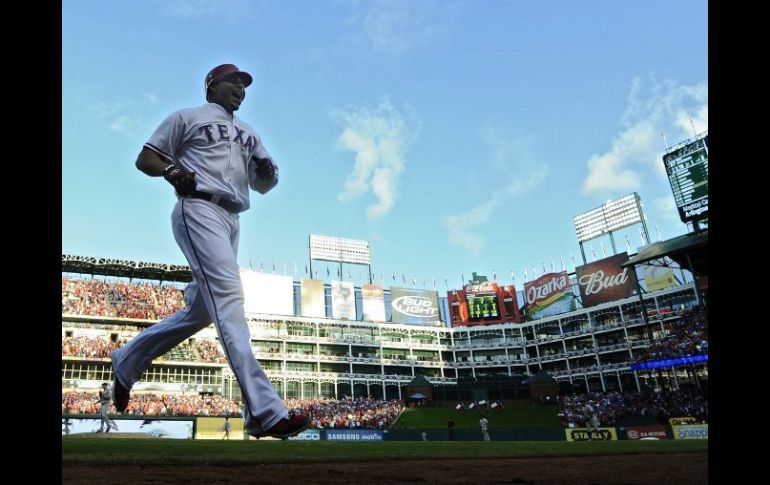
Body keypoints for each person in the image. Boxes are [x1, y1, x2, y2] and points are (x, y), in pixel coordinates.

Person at [109, 63, 308, 440]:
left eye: (244, 84)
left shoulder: (250, 132)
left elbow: (264, 184)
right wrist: (170, 171)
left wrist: (266, 171)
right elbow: (146, 159)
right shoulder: (187, 117)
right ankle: (266, 412)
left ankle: (126, 361)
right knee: (230, 300)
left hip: (232, 218)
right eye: (233, 82)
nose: (240, 88)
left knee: (201, 311)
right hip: (197, 207)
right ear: (212, 86)